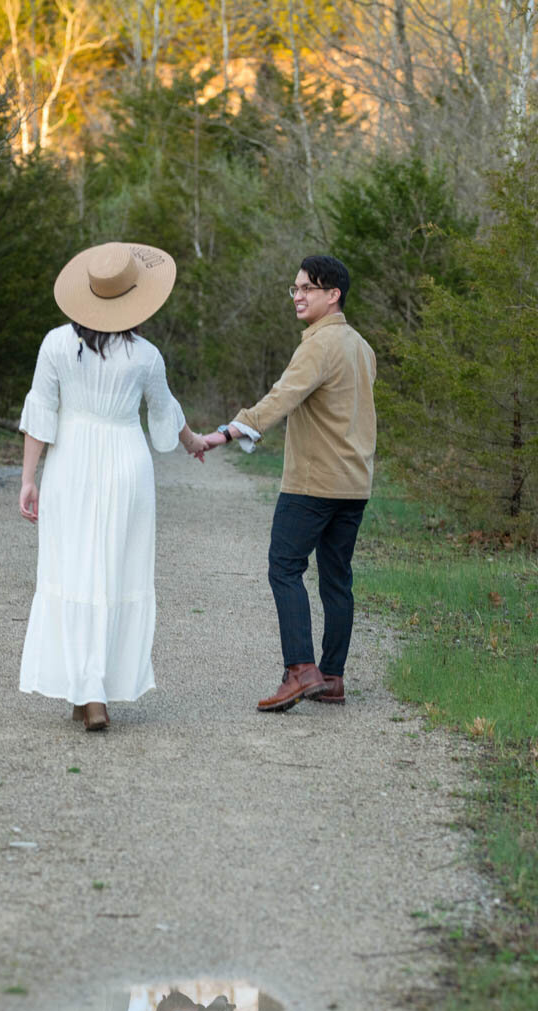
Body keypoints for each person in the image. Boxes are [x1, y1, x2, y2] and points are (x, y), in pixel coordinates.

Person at [18, 241, 208, 730]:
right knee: (114, 572)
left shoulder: (55, 343)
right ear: (132, 297)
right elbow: (166, 416)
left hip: (71, 463)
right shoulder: (145, 355)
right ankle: (93, 689)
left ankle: (86, 690)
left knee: (74, 569)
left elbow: (41, 414)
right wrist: (194, 442)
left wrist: (27, 479)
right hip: (126, 463)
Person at [204, 254, 376, 712]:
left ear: (332, 295)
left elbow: (282, 396)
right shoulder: (361, 345)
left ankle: (301, 671)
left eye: (308, 289)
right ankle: (332, 677)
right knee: (336, 580)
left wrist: (228, 431)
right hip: (354, 484)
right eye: (295, 288)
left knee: (284, 567)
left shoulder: (319, 346)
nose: (298, 296)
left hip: (313, 482)